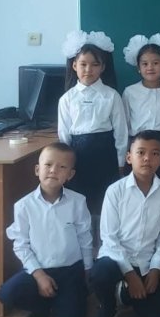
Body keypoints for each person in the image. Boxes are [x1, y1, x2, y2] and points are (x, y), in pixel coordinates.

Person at [87, 131, 160, 317]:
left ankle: (124, 294)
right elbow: (109, 237)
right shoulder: (115, 191)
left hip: (145, 262)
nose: (147, 158)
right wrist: (129, 274)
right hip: (116, 260)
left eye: (154, 153)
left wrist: (156, 268)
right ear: (129, 157)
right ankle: (108, 307)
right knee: (100, 273)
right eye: (141, 152)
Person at [0, 143, 91, 317]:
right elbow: (21, 244)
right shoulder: (23, 206)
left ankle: (67, 300)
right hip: (38, 269)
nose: (53, 170)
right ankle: (42, 307)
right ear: (37, 170)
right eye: (48, 165)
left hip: (70, 270)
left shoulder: (78, 202)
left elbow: (85, 237)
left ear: (70, 175)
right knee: (6, 294)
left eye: (62, 167)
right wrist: (39, 275)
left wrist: (88, 269)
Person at [58, 30, 128, 216]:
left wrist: (121, 161)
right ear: (74, 65)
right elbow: (64, 135)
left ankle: (104, 233)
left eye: (95, 64)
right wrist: (65, 163)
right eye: (83, 64)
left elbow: (121, 132)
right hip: (78, 156)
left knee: (107, 202)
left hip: (106, 154)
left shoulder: (111, 96)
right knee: (80, 201)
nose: (88, 69)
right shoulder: (67, 99)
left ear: (103, 67)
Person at [121, 32, 160, 185]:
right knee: (140, 183)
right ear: (138, 67)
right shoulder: (130, 92)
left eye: (155, 63)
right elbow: (125, 124)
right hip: (138, 143)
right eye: (145, 64)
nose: (150, 68)